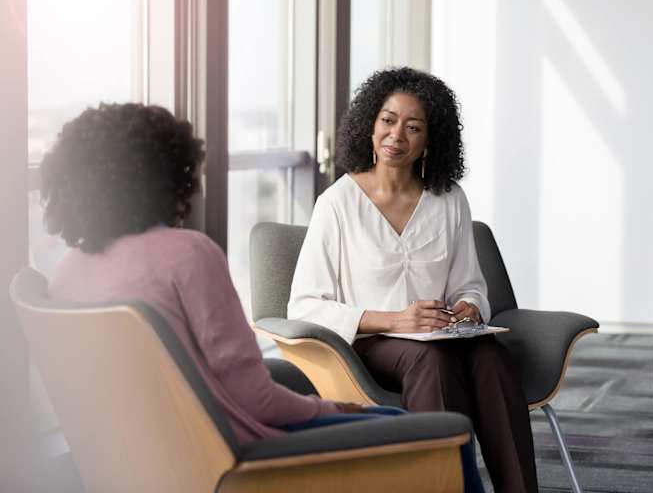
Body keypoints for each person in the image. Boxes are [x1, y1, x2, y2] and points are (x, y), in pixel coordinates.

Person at [40, 102, 483, 492]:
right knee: (445, 435)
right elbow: (255, 400)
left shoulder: (66, 273)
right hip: (237, 456)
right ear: (170, 175)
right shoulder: (189, 255)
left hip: (145, 461)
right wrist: (329, 406)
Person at [288, 67, 538, 493]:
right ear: (370, 125)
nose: (396, 135)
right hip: (372, 344)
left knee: (492, 359)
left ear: (429, 139)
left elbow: (470, 283)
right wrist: (392, 320)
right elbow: (304, 305)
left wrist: (470, 306)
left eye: (413, 126)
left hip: (444, 337)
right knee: (431, 362)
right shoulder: (337, 203)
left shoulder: (449, 199)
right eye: (388, 120)